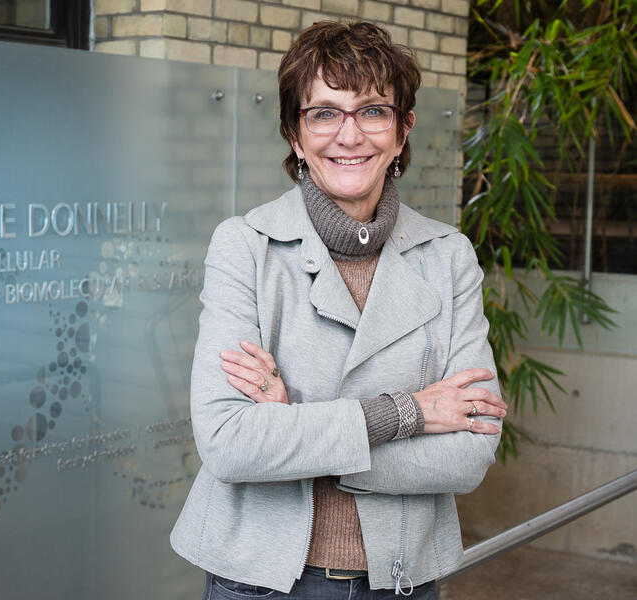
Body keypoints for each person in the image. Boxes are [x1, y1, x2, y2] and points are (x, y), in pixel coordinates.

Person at [170, 21, 506, 599]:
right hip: (259, 579)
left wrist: (294, 426)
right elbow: (229, 441)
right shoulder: (244, 245)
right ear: (295, 136)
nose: (349, 135)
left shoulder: (449, 257)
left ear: (402, 132)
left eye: (373, 111)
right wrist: (408, 413)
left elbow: (470, 453)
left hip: (400, 579)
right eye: (323, 113)